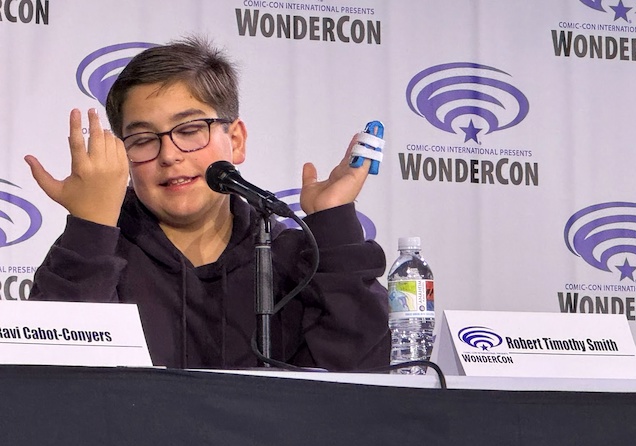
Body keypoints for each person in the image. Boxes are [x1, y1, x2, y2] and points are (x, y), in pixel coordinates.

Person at [24, 36, 390, 370]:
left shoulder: (289, 257)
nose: (169, 155)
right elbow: (49, 382)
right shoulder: (98, 254)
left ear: (236, 140)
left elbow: (360, 380)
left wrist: (334, 223)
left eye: (189, 130)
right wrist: (91, 227)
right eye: (143, 139)